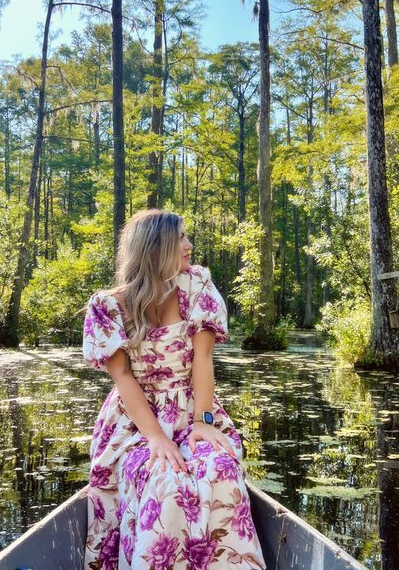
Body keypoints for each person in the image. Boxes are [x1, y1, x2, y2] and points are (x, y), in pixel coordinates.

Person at [82, 209, 266, 570]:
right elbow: (123, 378)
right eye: (180, 238)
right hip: (135, 423)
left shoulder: (197, 286)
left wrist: (203, 421)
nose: (189, 245)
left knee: (219, 468)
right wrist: (155, 438)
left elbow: (203, 361)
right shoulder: (107, 305)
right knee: (163, 479)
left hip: (193, 409)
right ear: (155, 247)